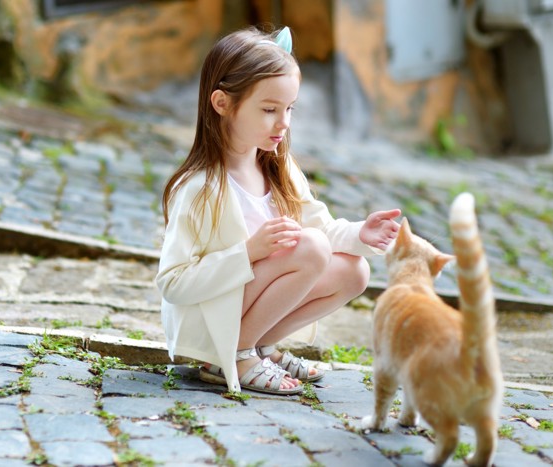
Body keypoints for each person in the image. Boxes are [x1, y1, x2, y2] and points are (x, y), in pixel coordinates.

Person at [155, 26, 401, 395]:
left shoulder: (277, 168)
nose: (283, 123)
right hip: (212, 320)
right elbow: (173, 284)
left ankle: (259, 348)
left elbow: (322, 227)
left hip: (245, 310)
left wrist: (358, 235)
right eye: (269, 109)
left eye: (289, 109)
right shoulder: (200, 189)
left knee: (354, 270)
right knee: (310, 247)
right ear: (222, 104)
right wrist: (249, 252)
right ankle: (230, 357)